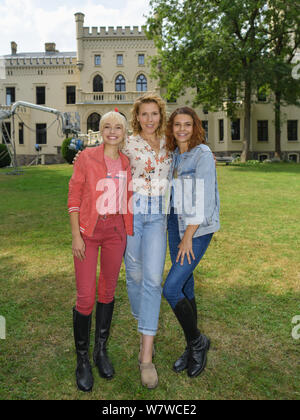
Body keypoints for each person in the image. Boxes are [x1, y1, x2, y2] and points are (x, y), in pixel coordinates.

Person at [68, 111, 133, 392]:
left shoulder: (128, 161)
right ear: (100, 130)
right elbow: (73, 196)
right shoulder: (85, 157)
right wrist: (76, 236)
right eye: (106, 126)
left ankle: (100, 351)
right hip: (88, 233)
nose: (111, 131)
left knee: (107, 292)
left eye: (117, 127)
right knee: (85, 296)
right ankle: (82, 359)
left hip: (115, 233)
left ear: (124, 132)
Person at [163, 107, 220, 378]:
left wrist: (188, 237)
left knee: (172, 288)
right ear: (172, 128)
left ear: (195, 126)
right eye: (177, 124)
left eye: (187, 124)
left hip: (196, 230)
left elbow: (205, 200)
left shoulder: (203, 155)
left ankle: (198, 342)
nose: (182, 129)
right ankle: (192, 345)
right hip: (174, 223)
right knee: (185, 284)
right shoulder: (174, 155)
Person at [122, 93, 172, 389]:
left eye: (154, 114)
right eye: (144, 114)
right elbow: (102, 156)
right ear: (137, 117)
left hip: (157, 215)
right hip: (132, 211)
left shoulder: (168, 142)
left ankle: (146, 355)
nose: (150, 119)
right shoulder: (128, 143)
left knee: (153, 279)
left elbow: (189, 150)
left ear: (160, 115)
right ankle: (145, 324)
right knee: (135, 275)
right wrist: (81, 157)